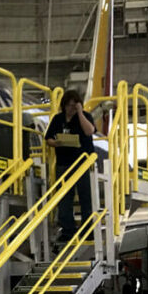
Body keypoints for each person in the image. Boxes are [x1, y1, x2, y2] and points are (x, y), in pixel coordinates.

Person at [44, 89, 96, 243]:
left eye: (75, 105)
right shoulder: (58, 119)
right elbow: (48, 138)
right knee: (64, 199)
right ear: (64, 105)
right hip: (63, 163)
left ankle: (87, 230)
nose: (71, 108)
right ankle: (68, 231)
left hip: (82, 163)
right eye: (69, 105)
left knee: (85, 197)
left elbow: (89, 131)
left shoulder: (85, 117)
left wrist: (80, 113)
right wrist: (56, 143)